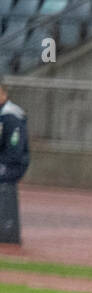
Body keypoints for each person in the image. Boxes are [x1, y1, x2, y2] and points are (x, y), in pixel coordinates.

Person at [0, 83, 29, 245]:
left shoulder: (11, 116)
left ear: (3, 94)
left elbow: (14, 149)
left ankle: (6, 229)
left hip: (12, 164)